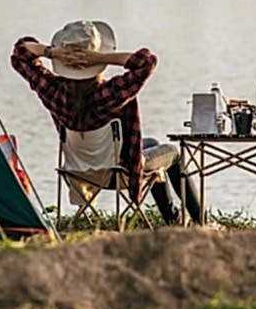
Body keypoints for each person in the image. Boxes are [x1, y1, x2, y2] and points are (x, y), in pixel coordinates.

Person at [11, 19, 202, 225]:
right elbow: (146, 61)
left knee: (151, 143)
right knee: (172, 153)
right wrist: (101, 57)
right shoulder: (109, 93)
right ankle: (199, 221)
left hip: (79, 173)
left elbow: (20, 53)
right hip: (120, 174)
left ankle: (174, 218)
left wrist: (52, 53)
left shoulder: (52, 91)